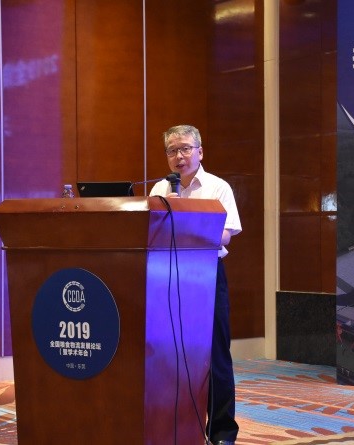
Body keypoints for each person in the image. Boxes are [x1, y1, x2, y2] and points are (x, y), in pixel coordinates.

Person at [149, 125, 241, 445]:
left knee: (214, 355)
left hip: (206, 274)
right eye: (172, 150)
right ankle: (173, 427)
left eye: (186, 149)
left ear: (200, 152)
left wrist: (184, 218)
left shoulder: (217, 187)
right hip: (166, 276)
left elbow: (226, 234)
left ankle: (222, 433)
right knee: (169, 354)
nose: (180, 156)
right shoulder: (160, 188)